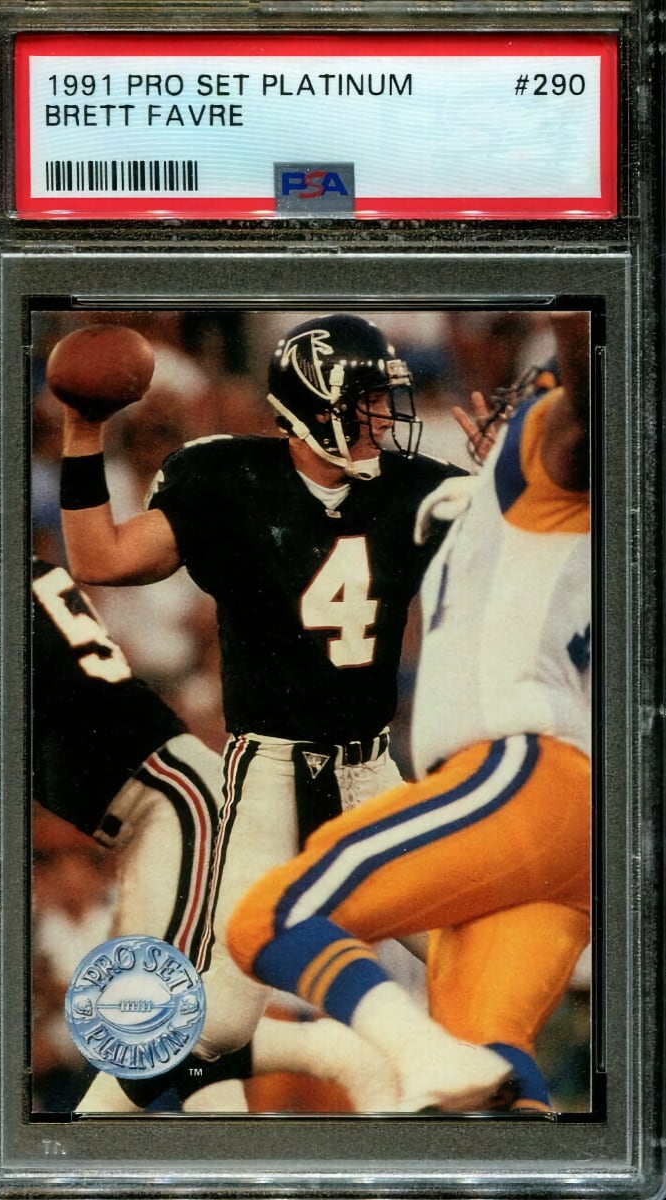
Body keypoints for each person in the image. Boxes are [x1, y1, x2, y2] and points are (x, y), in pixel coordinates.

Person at [56, 312, 475, 1094]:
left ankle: (455, 1103)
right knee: (218, 1020)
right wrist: (84, 431)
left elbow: (525, 557)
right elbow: (99, 556)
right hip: (269, 776)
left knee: (469, 952)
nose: (382, 417)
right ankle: (97, 1112)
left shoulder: (415, 487)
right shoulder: (227, 479)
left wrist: (514, 484)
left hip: (372, 773)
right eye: (365, 401)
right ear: (315, 409)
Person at [225, 311, 591, 1113]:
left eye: (526, 397)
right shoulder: (536, 517)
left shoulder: (556, 459)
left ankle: (416, 1057)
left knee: (269, 919)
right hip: (563, 828)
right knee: (491, 1067)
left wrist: (580, 319)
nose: (501, 408)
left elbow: (591, 406)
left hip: (517, 776)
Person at [32, 557, 399, 1114]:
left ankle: (328, 1051)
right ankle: (317, 1057)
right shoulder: (22, 579)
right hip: (163, 805)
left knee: (155, 1021)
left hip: (172, 805)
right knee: (182, 1021)